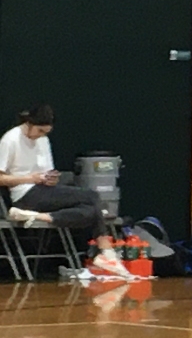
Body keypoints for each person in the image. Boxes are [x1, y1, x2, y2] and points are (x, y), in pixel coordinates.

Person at [0, 104, 129, 277]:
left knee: (91, 211)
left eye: (45, 132)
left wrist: (52, 179)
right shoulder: (10, 139)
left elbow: (48, 171)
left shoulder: (43, 140)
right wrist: (30, 179)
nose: (41, 135)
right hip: (25, 194)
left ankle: (37, 216)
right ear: (29, 123)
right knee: (91, 196)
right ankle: (106, 252)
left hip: (44, 190)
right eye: (39, 131)